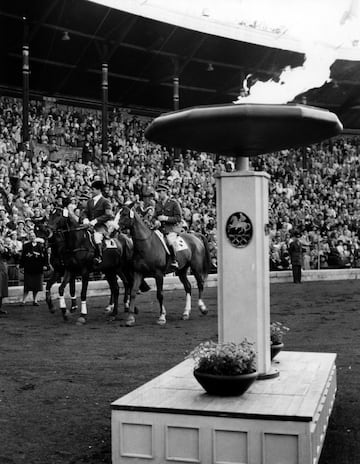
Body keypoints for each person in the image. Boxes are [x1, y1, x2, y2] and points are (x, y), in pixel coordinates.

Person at [81, 178, 113, 265]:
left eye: (93, 189)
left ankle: (99, 256)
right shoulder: (90, 201)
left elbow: (108, 215)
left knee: (97, 236)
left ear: (99, 190)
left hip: (101, 226)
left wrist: (95, 220)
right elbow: (85, 212)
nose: (91, 191)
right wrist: (85, 219)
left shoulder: (106, 201)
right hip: (89, 225)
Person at [153, 182, 182, 270]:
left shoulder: (173, 203)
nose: (159, 194)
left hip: (171, 229)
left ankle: (174, 261)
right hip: (160, 229)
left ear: (165, 192)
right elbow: (154, 217)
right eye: (158, 192)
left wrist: (166, 218)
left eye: (160, 192)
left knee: (169, 241)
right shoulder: (157, 204)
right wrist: (156, 221)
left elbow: (178, 218)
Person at [19, 230, 49, 306]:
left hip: (38, 268)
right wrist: (21, 266)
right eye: (31, 236)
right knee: (27, 286)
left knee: (36, 286)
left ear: (35, 237)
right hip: (28, 268)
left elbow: (45, 256)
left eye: (33, 236)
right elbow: (22, 257)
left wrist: (45, 265)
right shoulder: (26, 246)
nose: (32, 237)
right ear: (29, 237)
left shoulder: (40, 246)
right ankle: (23, 301)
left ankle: (35, 300)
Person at [0, 240, 10, 315]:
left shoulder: (4, 249)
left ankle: (0, 307)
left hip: (3, 269)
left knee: (2, 290)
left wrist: (5, 250)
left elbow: (8, 257)